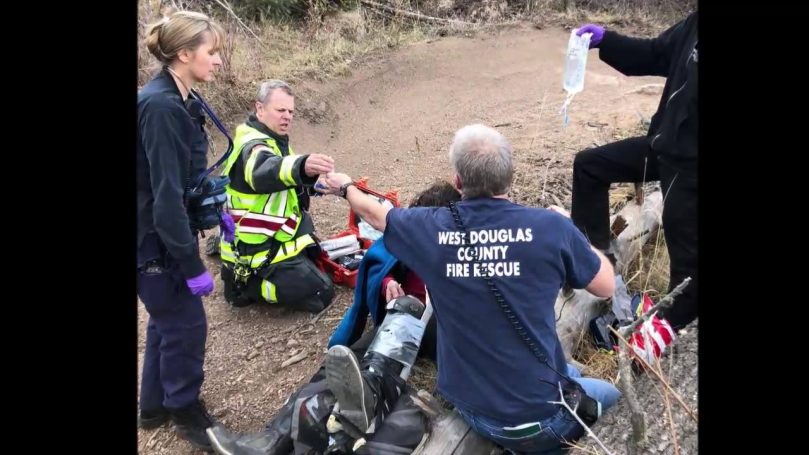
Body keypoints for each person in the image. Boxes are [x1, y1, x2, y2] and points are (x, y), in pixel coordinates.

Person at [319, 124, 621, 454]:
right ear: (510, 177)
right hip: (539, 419)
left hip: (469, 406)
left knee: (568, 372)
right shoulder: (551, 228)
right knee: (612, 395)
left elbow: (377, 215)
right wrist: (572, 229)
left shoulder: (431, 226)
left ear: (459, 181)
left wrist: (345, 186)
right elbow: (606, 285)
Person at [204, 181, 462, 455]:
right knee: (344, 362)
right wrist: (386, 282)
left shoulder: (465, 252)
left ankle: (360, 409)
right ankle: (273, 439)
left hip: (439, 330)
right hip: (399, 320)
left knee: (392, 342)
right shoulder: (408, 244)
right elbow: (385, 264)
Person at [570, 12, 698, 335]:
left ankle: (663, 343)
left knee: (686, 272)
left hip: (689, 168)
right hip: (662, 147)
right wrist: (606, 41)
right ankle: (597, 263)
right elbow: (654, 54)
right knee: (589, 166)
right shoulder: (695, 23)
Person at [137, 10, 228, 451]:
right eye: (211, 52)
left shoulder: (176, 99)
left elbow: (180, 178)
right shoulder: (161, 107)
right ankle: (185, 410)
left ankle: (153, 407)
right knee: (186, 324)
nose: (217, 62)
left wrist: (214, 205)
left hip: (158, 234)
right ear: (184, 53)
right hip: (153, 241)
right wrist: (191, 263)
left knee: (166, 320)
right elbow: (165, 198)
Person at [219, 79, 336, 313]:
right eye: (280, 110)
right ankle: (248, 286)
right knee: (321, 292)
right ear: (260, 109)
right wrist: (302, 165)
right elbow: (262, 172)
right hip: (257, 252)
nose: (287, 116)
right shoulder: (253, 145)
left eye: (291, 111)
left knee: (317, 254)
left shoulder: (274, 141)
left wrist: (315, 184)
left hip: (271, 239)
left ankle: (241, 277)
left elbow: (283, 179)